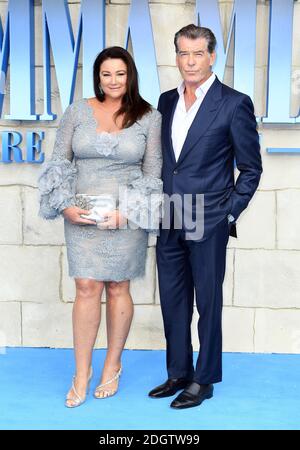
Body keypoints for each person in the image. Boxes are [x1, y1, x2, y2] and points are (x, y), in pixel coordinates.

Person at [38, 46, 162, 408]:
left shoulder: (149, 117)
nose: (113, 81)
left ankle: (112, 363)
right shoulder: (77, 110)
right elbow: (59, 160)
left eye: (120, 74)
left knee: (118, 285)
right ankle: (81, 373)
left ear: (130, 76)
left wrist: (128, 213)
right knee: (86, 285)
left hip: (126, 213)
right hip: (83, 211)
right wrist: (64, 205)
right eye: (106, 74)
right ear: (98, 76)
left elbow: (153, 173)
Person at [148, 24, 262, 409]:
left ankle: (204, 378)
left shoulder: (233, 103)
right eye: (183, 53)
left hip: (207, 216)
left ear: (212, 56)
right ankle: (178, 372)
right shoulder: (164, 101)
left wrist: (226, 212)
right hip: (169, 215)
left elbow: (251, 168)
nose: (190, 61)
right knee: (173, 300)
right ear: (176, 56)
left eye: (198, 53)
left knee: (207, 302)